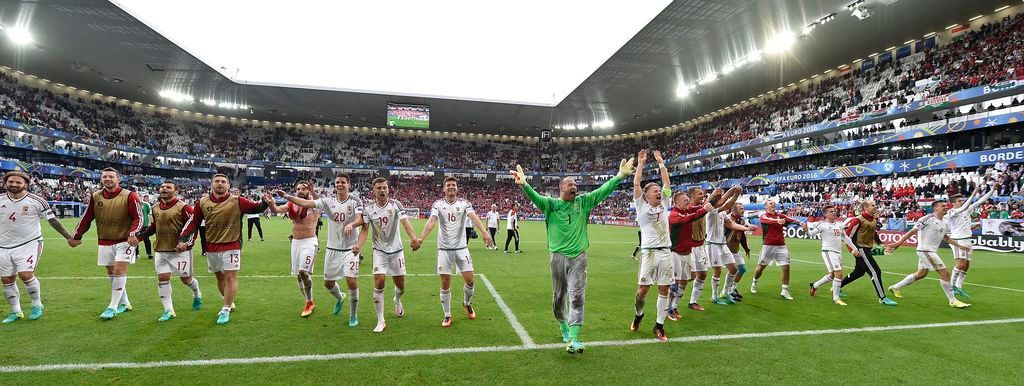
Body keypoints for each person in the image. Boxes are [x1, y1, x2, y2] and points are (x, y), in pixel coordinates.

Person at [510, 156, 634, 354]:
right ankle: (563, 327)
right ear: (561, 188)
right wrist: (524, 184)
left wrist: (619, 176)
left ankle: (574, 338)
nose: (574, 186)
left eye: (575, 183)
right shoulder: (551, 205)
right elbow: (535, 197)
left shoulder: (583, 202)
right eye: (570, 184)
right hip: (557, 257)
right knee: (559, 297)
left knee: (577, 297)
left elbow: (603, 191)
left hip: (579, 257)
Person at [277, 173, 368, 327]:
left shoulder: (355, 200)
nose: (340, 184)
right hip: (332, 248)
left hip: (350, 249)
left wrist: (351, 225)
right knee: (328, 283)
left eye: (343, 182)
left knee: (352, 281)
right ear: (335, 184)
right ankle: (340, 298)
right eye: (337, 182)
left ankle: (353, 316)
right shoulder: (328, 201)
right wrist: (287, 196)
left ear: (349, 184)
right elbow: (306, 203)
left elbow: (360, 219)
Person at [178, 174, 270, 325]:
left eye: (223, 182)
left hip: (231, 244)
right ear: (211, 184)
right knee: (219, 277)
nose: (220, 184)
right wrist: (184, 240)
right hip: (212, 245)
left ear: (228, 185)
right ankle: (229, 302)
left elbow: (255, 207)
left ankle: (225, 309)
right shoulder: (202, 202)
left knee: (230, 276)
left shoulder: (237, 200)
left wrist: (265, 202)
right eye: (217, 181)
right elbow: (193, 222)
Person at [344, 178, 422, 333]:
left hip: (396, 251)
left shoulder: (396, 205)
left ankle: (397, 299)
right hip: (379, 251)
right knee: (379, 282)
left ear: (388, 189)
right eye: (378, 188)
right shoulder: (369, 209)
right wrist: (358, 246)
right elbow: (365, 229)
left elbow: (406, 222)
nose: (381, 190)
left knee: (401, 286)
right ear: (374, 190)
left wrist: (414, 238)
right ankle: (381, 320)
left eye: (384, 188)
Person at [417, 177, 495, 327]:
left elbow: (474, 217)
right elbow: (431, 221)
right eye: (448, 185)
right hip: (444, 249)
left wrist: (484, 232)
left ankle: (467, 303)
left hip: (461, 248)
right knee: (445, 283)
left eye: (453, 185)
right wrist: (421, 239)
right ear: (444, 189)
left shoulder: (464, 204)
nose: (451, 187)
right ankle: (447, 315)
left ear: (457, 188)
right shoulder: (438, 204)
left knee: (470, 280)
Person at [69, 167, 144, 320]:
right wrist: (76, 235)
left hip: (125, 240)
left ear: (118, 179)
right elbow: (86, 217)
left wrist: (132, 233)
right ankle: (125, 303)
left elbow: (139, 218)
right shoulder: (95, 196)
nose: (108, 179)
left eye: (111, 176)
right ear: (101, 179)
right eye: (105, 177)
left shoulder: (130, 196)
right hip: (104, 239)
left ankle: (112, 307)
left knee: (119, 271)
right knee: (111, 273)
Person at [0, 171, 73, 323]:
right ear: (5, 183)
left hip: (29, 243)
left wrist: (68, 237)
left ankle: (36, 304)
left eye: (18, 182)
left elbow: (53, 221)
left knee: (25, 275)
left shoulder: (37, 201)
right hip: (3, 246)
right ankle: (16, 311)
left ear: (25, 184)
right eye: (11, 182)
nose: (14, 185)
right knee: (7, 279)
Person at [136, 181, 203, 321]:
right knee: (162, 279)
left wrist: (186, 243)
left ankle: (197, 294)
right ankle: (169, 310)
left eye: (168, 187)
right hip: (161, 250)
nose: (164, 189)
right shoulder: (155, 208)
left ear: (176, 191)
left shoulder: (184, 207)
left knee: (186, 280)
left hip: (180, 252)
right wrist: (140, 237)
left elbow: (193, 227)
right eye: (162, 187)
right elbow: (154, 227)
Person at [886, 200, 972, 309]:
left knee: (921, 273)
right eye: (943, 206)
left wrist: (959, 246)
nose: (946, 207)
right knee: (945, 273)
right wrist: (898, 243)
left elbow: (945, 237)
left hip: (930, 251)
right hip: (925, 250)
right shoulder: (927, 218)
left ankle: (895, 287)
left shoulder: (944, 222)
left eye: (946, 205)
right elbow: (912, 231)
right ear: (936, 208)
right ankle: (953, 301)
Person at [628, 150, 673, 341]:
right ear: (645, 195)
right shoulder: (641, 206)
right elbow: (636, 184)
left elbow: (667, 184)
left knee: (664, 289)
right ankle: (639, 315)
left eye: (658, 191)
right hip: (648, 254)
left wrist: (661, 163)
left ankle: (659, 326)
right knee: (642, 292)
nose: (658, 192)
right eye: (654, 191)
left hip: (665, 252)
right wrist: (641, 163)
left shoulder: (665, 203)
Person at [266, 181, 321, 317]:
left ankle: (308, 302)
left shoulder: (313, 204)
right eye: (298, 188)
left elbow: (320, 201)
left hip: (309, 241)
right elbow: (277, 210)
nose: (301, 190)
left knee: (303, 272)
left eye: (304, 188)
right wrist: (271, 203)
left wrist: (312, 191)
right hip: (296, 242)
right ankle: (309, 301)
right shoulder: (291, 204)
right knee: (298, 275)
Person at [841, 200, 898, 306]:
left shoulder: (874, 219)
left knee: (858, 272)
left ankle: (837, 287)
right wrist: (853, 250)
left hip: (867, 249)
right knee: (876, 271)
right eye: (872, 205)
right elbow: (847, 236)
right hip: (861, 249)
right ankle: (882, 297)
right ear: (866, 208)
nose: (875, 206)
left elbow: (874, 233)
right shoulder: (857, 220)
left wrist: (880, 244)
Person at [946, 184, 997, 298]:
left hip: (967, 240)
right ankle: (952, 286)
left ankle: (959, 286)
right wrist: (973, 194)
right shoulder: (951, 212)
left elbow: (981, 201)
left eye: (962, 200)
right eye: (959, 201)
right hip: (958, 240)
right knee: (961, 263)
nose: (962, 202)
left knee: (967, 264)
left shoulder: (966, 210)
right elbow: (964, 207)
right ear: (953, 203)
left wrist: (992, 190)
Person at [666, 191, 711, 318]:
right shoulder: (674, 215)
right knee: (675, 284)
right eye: (685, 200)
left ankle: (674, 307)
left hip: (687, 252)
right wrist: (704, 210)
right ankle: (668, 309)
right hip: (675, 253)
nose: (688, 202)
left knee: (684, 281)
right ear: (677, 203)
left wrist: (709, 203)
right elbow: (690, 218)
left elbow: (698, 208)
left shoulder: (686, 210)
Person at [750, 200, 806, 300]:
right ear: (766, 207)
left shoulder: (781, 215)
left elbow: (791, 219)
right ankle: (754, 282)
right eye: (770, 203)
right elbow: (767, 220)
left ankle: (784, 290)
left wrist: (801, 223)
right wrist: (777, 221)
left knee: (786, 267)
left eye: (774, 203)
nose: (773, 204)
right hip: (768, 245)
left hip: (781, 245)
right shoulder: (764, 216)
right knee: (761, 267)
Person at [807, 205, 861, 306]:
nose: (834, 212)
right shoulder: (822, 225)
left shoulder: (839, 225)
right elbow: (811, 234)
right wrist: (806, 230)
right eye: (831, 211)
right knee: (839, 274)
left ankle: (814, 285)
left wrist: (855, 248)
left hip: (838, 253)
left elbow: (846, 238)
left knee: (832, 275)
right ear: (825, 214)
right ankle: (836, 298)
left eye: (834, 211)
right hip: (828, 252)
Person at [705, 186, 747, 305]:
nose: (721, 200)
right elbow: (727, 204)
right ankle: (714, 296)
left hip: (722, 244)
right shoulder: (711, 211)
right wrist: (733, 192)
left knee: (733, 269)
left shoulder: (723, 212)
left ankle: (726, 292)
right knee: (717, 271)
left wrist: (746, 228)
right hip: (712, 244)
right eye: (719, 199)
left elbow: (731, 224)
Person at [724, 202, 752, 300]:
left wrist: (746, 248)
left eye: (743, 208)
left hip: (735, 249)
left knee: (742, 269)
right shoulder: (728, 219)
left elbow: (742, 236)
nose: (743, 210)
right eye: (741, 208)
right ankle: (725, 292)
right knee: (732, 270)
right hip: (726, 249)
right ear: (734, 210)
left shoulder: (741, 220)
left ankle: (732, 289)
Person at [140, 194, 153, 259]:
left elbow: (149, 212)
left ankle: (149, 254)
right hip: (135, 225)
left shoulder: (146, 204)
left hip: (144, 225)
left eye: (139, 196)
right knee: (134, 239)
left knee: (146, 239)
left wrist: (149, 222)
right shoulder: (132, 203)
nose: (138, 197)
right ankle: (136, 254)